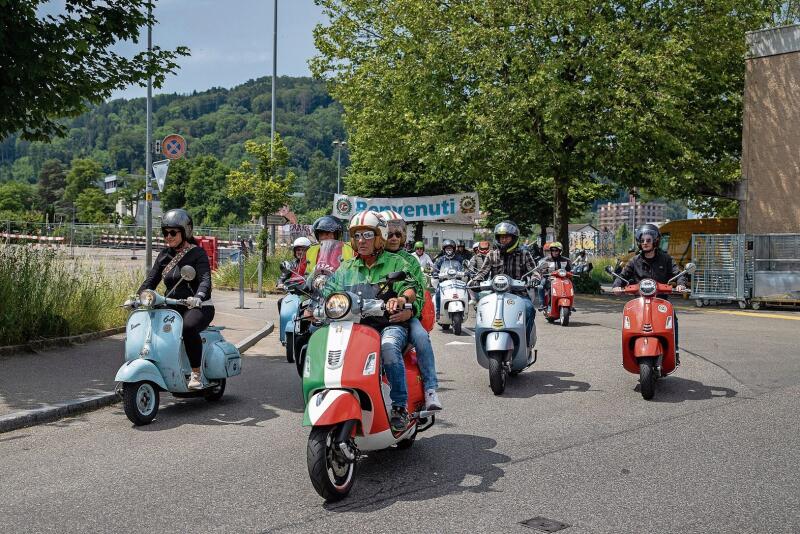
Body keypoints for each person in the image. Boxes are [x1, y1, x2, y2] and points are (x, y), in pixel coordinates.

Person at [326, 210, 421, 431]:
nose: (361, 241)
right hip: (354, 327)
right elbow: (329, 289)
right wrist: (314, 300)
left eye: (367, 235)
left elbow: (410, 288)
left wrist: (401, 298)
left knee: (388, 348)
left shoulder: (395, 262)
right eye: (357, 236)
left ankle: (399, 406)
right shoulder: (346, 268)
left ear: (379, 237)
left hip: (389, 324)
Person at [135, 209, 214, 390]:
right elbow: (151, 280)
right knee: (150, 324)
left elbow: (205, 280)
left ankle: (196, 373)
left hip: (198, 307)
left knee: (187, 327)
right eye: (165, 232)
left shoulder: (197, 254)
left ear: (185, 231)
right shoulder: (164, 255)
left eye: (173, 232)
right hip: (172, 305)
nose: (168, 236)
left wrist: (198, 297)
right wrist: (138, 297)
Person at [379, 210, 442, 410]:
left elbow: (419, 293)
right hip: (371, 315)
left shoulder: (411, 261)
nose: (394, 238)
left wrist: (409, 311)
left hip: (404, 315)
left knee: (422, 337)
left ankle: (431, 389)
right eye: (389, 234)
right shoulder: (370, 256)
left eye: (398, 234)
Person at [612, 224, 687, 363]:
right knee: (629, 322)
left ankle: (674, 350)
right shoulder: (634, 261)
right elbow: (623, 276)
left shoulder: (666, 259)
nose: (645, 243)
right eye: (642, 240)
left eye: (648, 240)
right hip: (639, 302)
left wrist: (681, 284)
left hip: (660, 301)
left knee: (673, 318)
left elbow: (678, 273)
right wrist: (617, 285)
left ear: (655, 241)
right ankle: (628, 351)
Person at [471, 221, 537, 343]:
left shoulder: (524, 254)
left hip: (519, 294)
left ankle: (525, 341)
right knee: (481, 308)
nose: (504, 240)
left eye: (507, 237)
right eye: (501, 237)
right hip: (495, 294)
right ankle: (483, 340)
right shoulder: (492, 254)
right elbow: (482, 271)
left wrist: (534, 280)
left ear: (514, 238)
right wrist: (475, 281)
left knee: (529, 309)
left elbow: (534, 271)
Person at [532, 241, 572, 310]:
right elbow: (539, 269)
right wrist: (541, 272)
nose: (554, 252)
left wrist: (572, 272)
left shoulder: (566, 260)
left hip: (562, 279)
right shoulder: (545, 260)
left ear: (560, 251)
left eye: (556, 250)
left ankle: (571, 304)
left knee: (570, 287)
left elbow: (570, 270)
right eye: (552, 250)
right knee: (541, 287)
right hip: (548, 278)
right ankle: (543, 304)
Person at [276, 236, 311, 315]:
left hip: (310, 294)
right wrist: (280, 283)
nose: (300, 252)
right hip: (294, 293)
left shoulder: (312, 264)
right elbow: (283, 277)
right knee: (282, 302)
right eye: (298, 250)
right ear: (295, 251)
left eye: (303, 250)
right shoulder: (291, 264)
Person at [433, 239, 462, 318]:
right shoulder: (441, 259)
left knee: (464, 290)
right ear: (444, 250)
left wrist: (466, 272)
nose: (449, 250)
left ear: (454, 249)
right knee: (438, 292)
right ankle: (438, 311)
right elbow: (435, 267)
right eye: (447, 249)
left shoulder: (459, 258)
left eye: (450, 248)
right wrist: (435, 272)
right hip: (444, 281)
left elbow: (464, 267)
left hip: (457, 280)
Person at [467, 240, 492, 306]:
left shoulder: (492, 256)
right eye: (482, 249)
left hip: (491, 277)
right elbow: (471, 265)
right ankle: (473, 299)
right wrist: (471, 272)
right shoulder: (475, 257)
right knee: (469, 284)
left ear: (489, 248)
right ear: (479, 248)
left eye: (486, 249)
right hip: (479, 277)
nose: (484, 250)